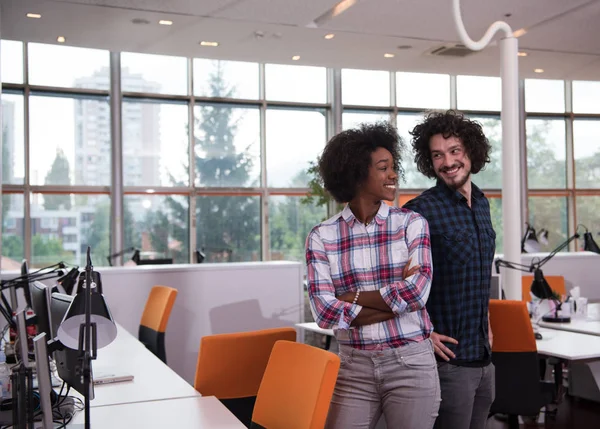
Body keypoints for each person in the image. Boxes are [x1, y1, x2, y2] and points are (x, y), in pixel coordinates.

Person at [305, 122, 440, 429]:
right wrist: (395, 301)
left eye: (394, 167)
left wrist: (350, 298)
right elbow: (325, 313)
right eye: (383, 167)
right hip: (353, 369)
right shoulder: (322, 236)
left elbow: (417, 293)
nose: (394, 175)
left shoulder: (411, 224)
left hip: (411, 363)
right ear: (356, 172)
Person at [403, 110, 496, 429]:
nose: (447, 162)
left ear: (471, 152)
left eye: (454, 151)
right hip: (448, 364)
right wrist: (422, 332)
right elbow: (393, 282)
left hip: (485, 359)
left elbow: (478, 274)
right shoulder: (419, 211)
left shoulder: (482, 204)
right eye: (437, 155)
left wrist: (487, 321)